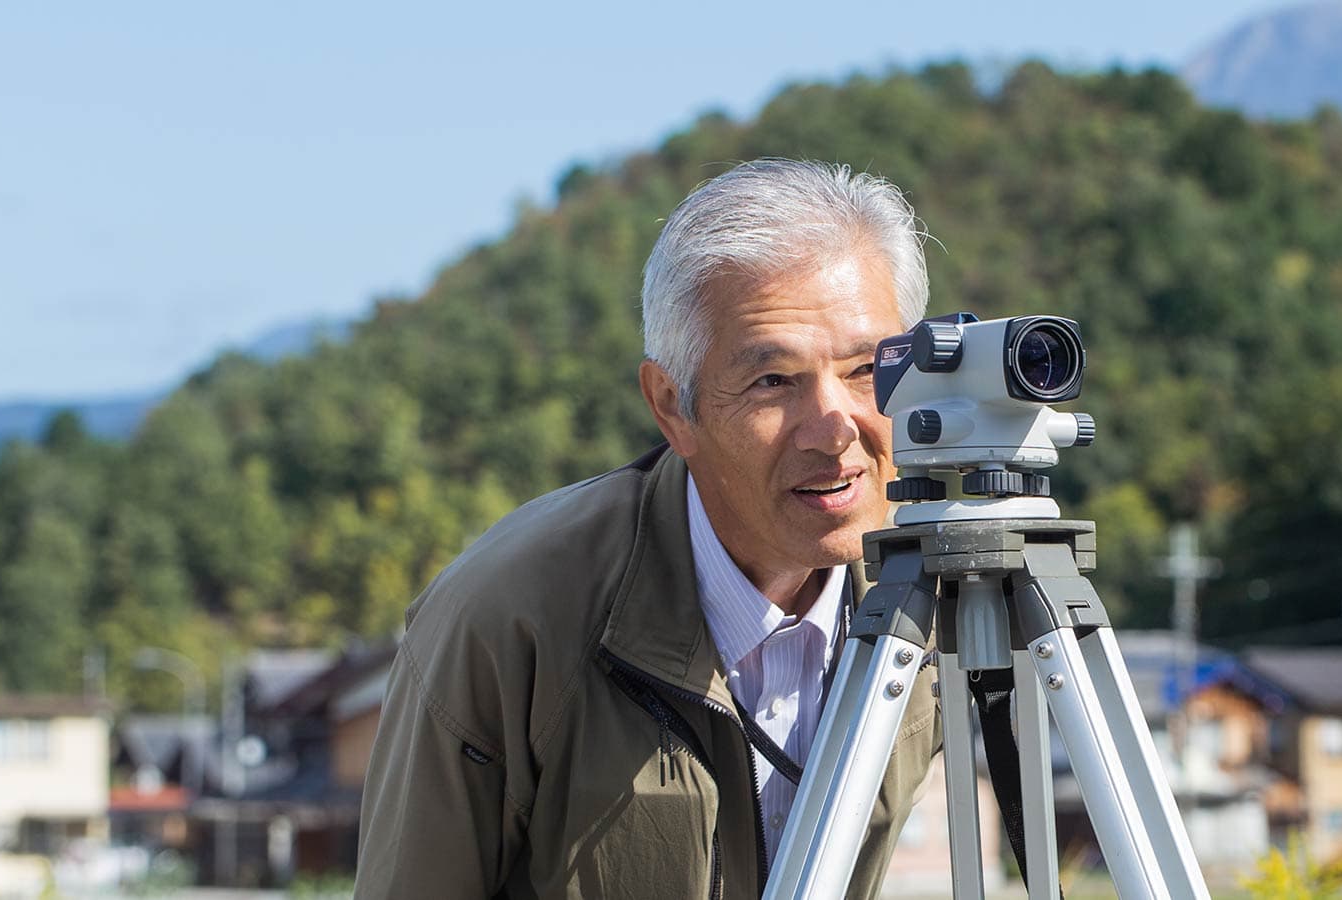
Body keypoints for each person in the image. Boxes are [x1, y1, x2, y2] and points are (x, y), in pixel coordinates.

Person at [356, 159, 943, 899]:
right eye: (773, 382)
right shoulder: (508, 619)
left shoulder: (931, 601)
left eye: (866, 371)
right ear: (672, 406)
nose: (834, 431)